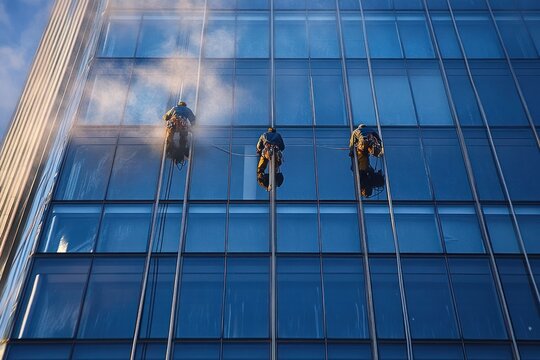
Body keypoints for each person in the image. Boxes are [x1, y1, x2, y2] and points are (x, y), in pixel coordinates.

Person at [349, 124, 385, 197]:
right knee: (368, 154)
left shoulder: (356, 131)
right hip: (373, 142)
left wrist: (351, 151)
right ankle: (374, 149)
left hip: (363, 142)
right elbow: (379, 140)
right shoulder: (371, 130)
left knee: (361, 156)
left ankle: (371, 147)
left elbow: (352, 144)